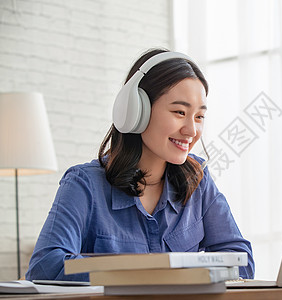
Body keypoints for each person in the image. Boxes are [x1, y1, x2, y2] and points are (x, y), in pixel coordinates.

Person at [25, 48, 255, 281]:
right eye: (179, 112)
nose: (191, 131)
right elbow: (46, 266)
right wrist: (153, 274)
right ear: (136, 111)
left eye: (199, 117)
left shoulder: (198, 180)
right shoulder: (84, 184)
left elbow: (241, 261)